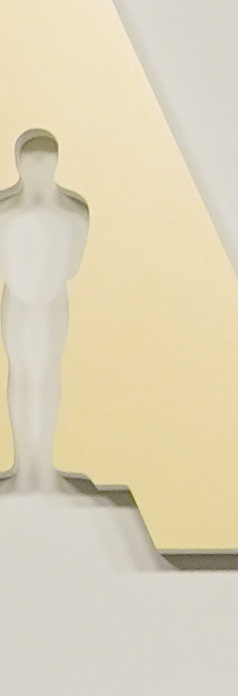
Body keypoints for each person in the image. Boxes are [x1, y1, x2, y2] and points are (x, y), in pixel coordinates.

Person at [2, 129, 89, 493]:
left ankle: (41, 469)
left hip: (50, 306)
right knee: (24, 377)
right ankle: (26, 470)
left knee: (46, 377)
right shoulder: (5, 213)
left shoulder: (74, 213)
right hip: (20, 308)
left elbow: (71, 266)